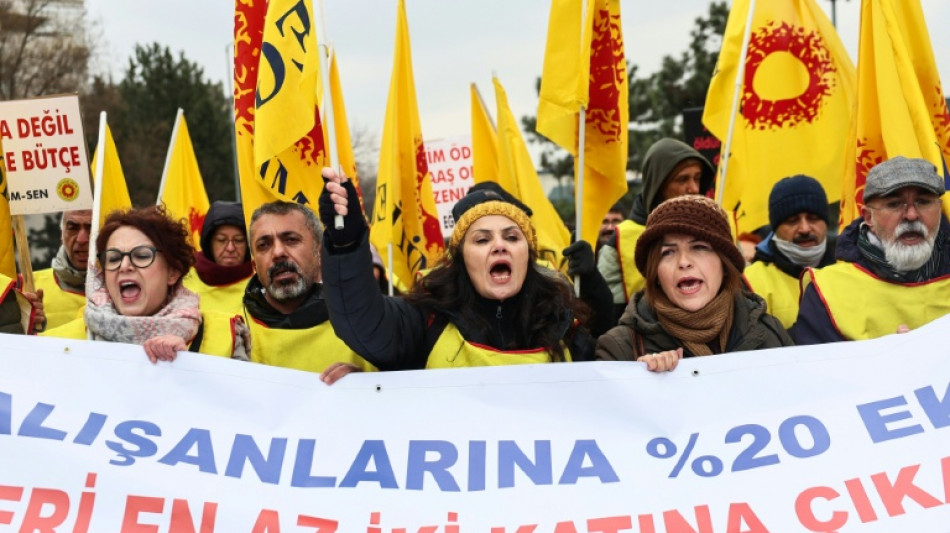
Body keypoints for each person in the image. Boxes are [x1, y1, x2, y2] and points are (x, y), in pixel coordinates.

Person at [318, 168, 603, 376]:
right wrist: (347, 242)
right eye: (482, 239)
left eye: (512, 238)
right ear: (461, 259)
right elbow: (363, 324)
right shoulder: (425, 321)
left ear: (528, 255)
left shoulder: (565, 325)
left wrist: (647, 367)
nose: (499, 246)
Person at [596, 195, 792, 371]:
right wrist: (639, 382)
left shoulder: (770, 333)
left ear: (724, 265)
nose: (683, 262)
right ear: (655, 272)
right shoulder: (620, 349)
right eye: (668, 252)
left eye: (699, 247)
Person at [42, 206, 250, 362]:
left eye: (141, 256)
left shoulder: (225, 335)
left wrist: (190, 368)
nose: (124, 266)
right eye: (113, 258)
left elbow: (244, 412)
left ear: (173, 271)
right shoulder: (58, 344)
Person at [792, 157, 950, 343]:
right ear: (868, 217)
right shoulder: (829, 290)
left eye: (923, 202)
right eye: (894, 204)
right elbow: (815, 368)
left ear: (939, 209)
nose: (911, 215)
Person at [243, 200, 374, 374]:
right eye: (264, 245)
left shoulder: (365, 329)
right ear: (254, 265)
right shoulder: (231, 332)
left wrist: (365, 384)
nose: (278, 253)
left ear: (319, 253)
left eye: (291, 240)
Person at [597, 138, 715, 320]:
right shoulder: (620, 242)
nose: (693, 188)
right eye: (682, 179)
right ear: (657, 185)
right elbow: (608, 319)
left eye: (697, 178)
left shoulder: (714, 229)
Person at [743, 175, 836, 329]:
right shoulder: (750, 282)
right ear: (775, 228)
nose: (805, 229)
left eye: (813, 218)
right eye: (792, 221)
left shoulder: (850, 270)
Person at [182, 201, 254, 315]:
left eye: (239, 240)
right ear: (209, 243)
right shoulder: (184, 279)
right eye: (221, 240)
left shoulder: (261, 280)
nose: (230, 248)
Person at [29, 209, 91, 330]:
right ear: (61, 235)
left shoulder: (130, 290)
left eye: (91, 228)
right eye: (72, 228)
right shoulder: (27, 287)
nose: (81, 239)